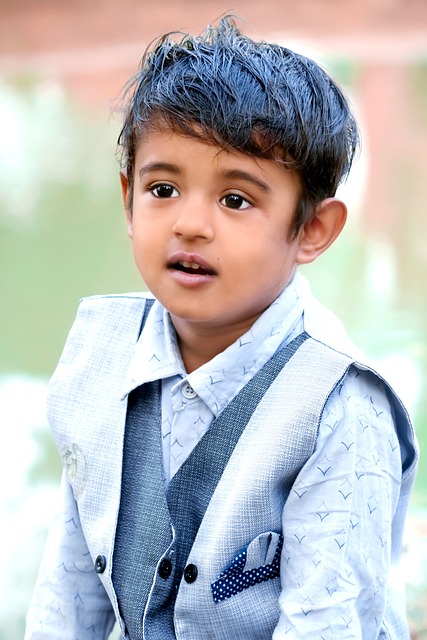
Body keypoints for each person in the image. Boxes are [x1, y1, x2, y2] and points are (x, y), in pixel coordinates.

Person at [25, 16, 418, 640]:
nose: (189, 224)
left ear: (312, 229)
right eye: (163, 188)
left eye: (235, 200)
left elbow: (327, 624)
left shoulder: (339, 406)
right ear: (128, 199)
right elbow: (69, 592)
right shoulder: (99, 352)